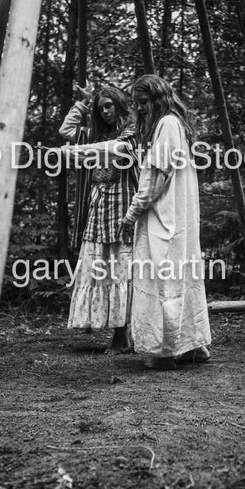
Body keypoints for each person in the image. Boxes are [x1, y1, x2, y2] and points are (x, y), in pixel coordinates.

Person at [118, 75, 211, 370]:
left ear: (158, 99)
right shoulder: (173, 125)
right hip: (176, 216)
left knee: (163, 281)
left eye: (143, 103)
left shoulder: (167, 124)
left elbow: (155, 175)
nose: (140, 109)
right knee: (180, 278)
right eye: (136, 104)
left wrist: (131, 213)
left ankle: (165, 350)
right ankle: (190, 346)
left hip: (165, 218)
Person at [59, 85, 138, 353]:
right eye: (100, 107)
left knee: (121, 271)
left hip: (123, 210)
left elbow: (117, 151)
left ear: (119, 103)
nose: (105, 111)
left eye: (109, 105)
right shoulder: (97, 134)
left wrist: (70, 152)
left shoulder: (132, 132)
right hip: (99, 209)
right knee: (100, 270)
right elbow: (67, 132)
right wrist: (83, 104)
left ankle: (121, 335)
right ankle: (114, 331)